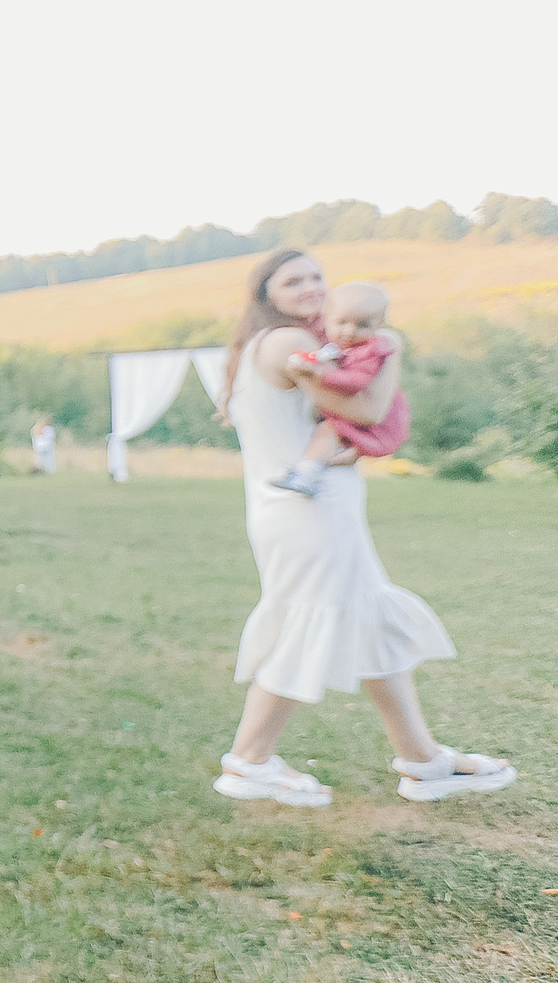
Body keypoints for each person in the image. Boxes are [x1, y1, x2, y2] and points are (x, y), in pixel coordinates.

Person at [213, 249, 512, 808]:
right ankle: (248, 763)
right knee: (306, 622)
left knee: (372, 620)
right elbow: (370, 408)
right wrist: (391, 349)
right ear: (266, 295)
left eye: (317, 277)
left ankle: (422, 761)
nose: (311, 288)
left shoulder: (306, 345)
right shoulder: (282, 344)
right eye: (293, 281)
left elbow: (345, 418)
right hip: (307, 514)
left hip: (315, 509)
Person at [270, 281, 408, 496]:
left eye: (362, 325)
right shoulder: (338, 344)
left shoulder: (371, 350)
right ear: (327, 318)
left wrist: (320, 375)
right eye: (341, 322)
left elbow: (357, 381)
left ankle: (305, 475)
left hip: (375, 419)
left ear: (379, 324)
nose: (350, 331)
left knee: (329, 431)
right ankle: (309, 471)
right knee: (329, 433)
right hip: (353, 414)